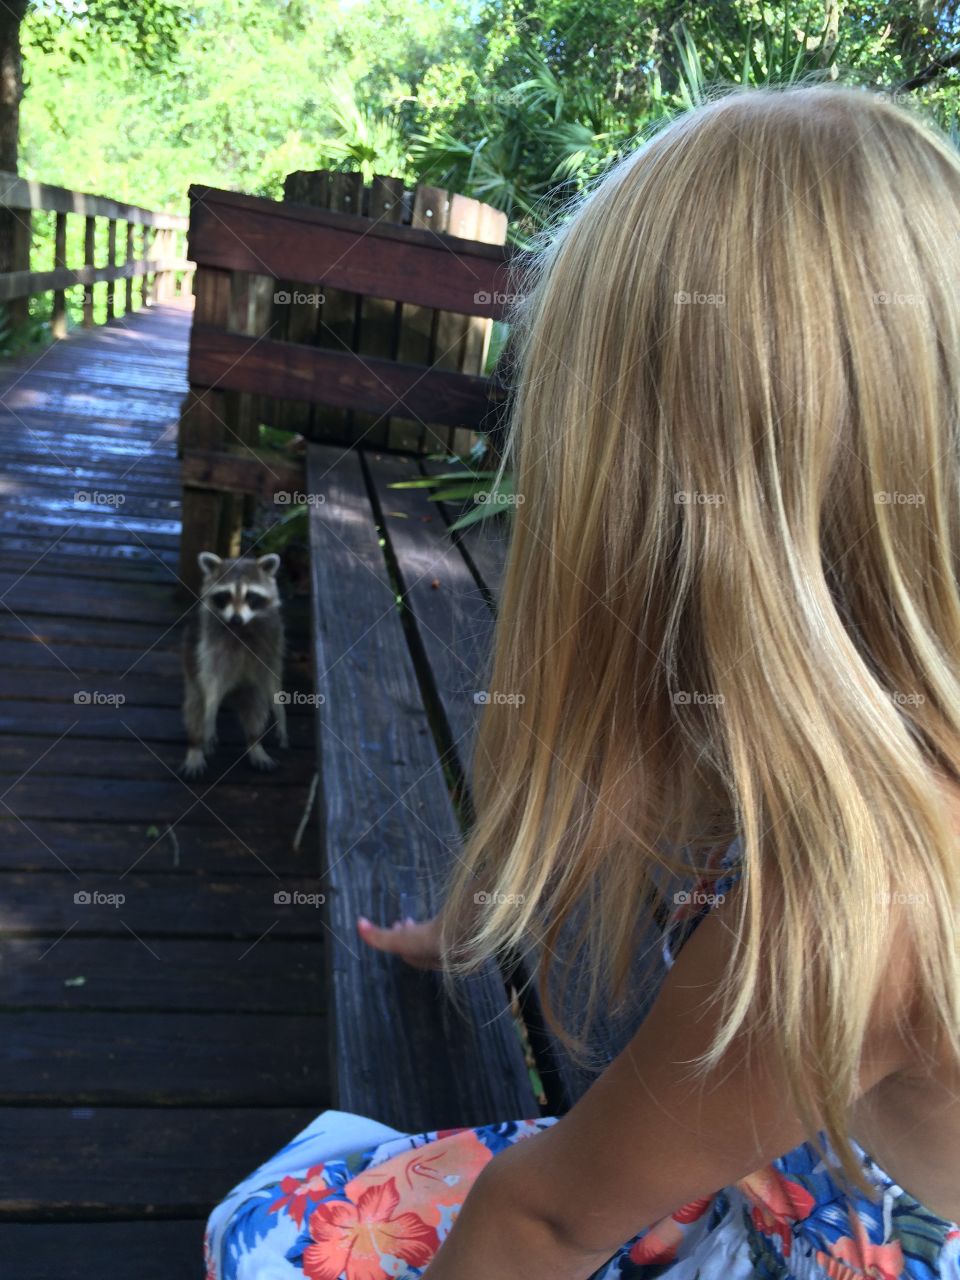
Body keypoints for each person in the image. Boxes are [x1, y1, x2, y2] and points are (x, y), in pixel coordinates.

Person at [205, 83, 960, 1279]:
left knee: (269, 1234)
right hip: (757, 1167)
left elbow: (542, 1221)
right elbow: (635, 784)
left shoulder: (861, 912)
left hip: (803, 1241)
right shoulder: (855, 726)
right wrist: (464, 925)